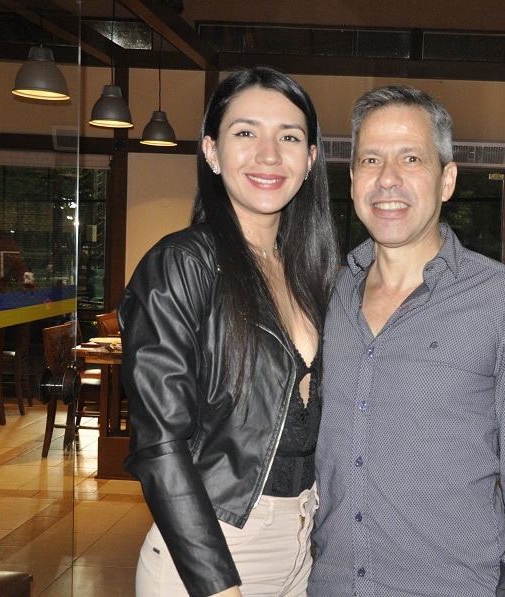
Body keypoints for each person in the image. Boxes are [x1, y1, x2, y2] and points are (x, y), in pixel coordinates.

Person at [309, 86, 505, 597]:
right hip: (332, 583)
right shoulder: (326, 297)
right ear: (353, 179)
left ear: (447, 179)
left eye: (411, 158)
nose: (388, 178)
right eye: (370, 160)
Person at [119, 66, 338, 597]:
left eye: (290, 137)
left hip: (301, 546)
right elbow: (159, 444)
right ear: (211, 151)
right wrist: (217, 583)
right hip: (213, 548)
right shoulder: (182, 263)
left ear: (310, 160)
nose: (269, 154)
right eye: (245, 132)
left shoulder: (311, 274)